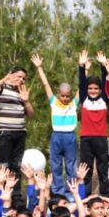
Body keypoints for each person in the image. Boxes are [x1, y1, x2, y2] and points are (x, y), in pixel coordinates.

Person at [0, 65, 34, 205]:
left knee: (16, 165)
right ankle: (0, 194)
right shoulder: (2, 88)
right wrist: (3, 80)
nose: (21, 80)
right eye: (18, 76)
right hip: (5, 132)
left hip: (20, 133)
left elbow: (30, 114)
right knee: (4, 165)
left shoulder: (22, 92)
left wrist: (26, 101)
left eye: (23, 78)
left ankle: (16, 196)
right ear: (11, 75)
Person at [31, 53, 78, 196]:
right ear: (58, 94)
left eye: (67, 96)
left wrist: (84, 69)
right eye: (62, 95)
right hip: (56, 136)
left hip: (70, 136)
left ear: (71, 95)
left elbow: (82, 88)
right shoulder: (54, 102)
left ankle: (71, 192)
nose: (65, 98)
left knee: (70, 165)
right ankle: (57, 191)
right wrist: (39, 68)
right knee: (56, 165)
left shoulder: (74, 103)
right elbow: (46, 84)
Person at [78, 51, 109, 197]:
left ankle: (105, 198)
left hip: (101, 139)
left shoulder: (103, 99)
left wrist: (103, 65)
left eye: (95, 88)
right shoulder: (84, 99)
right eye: (90, 88)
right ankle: (85, 199)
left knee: (103, 170)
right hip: (86, 139)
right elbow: (82, 83)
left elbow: (105, 83)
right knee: (86, 171)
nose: (92, 91)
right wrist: (81, 67)